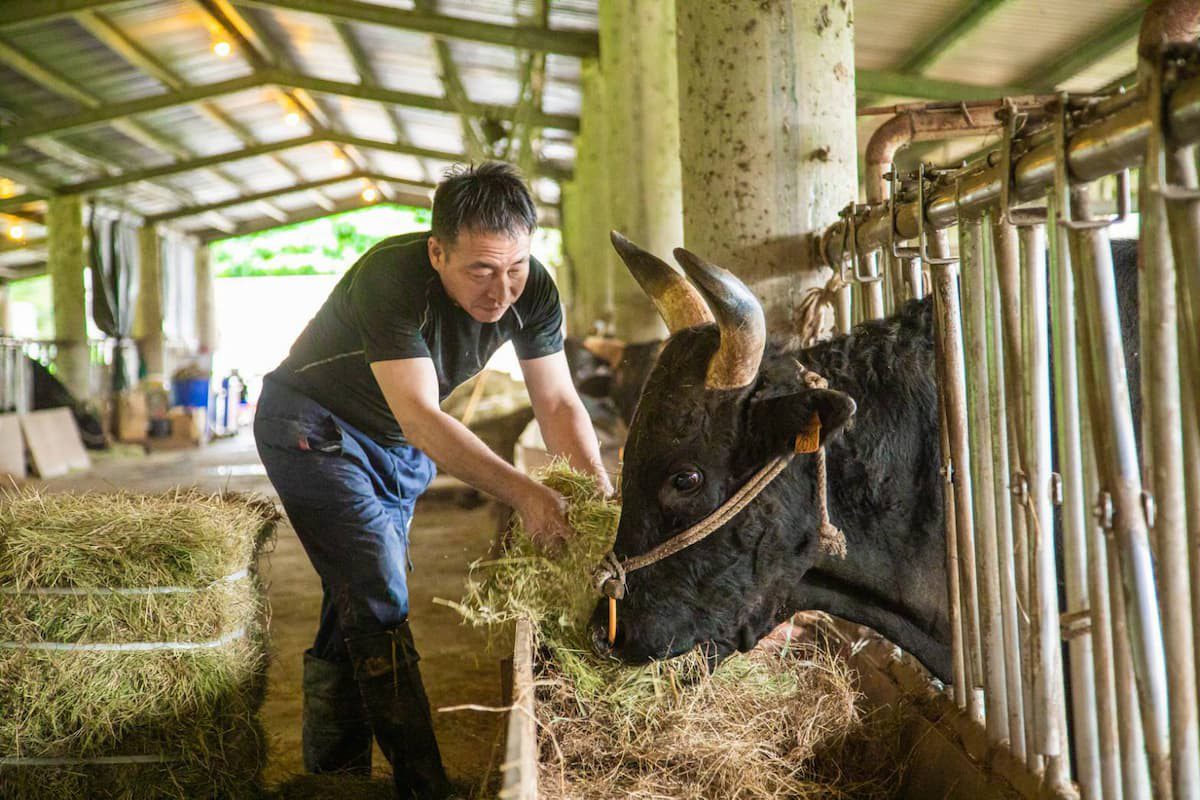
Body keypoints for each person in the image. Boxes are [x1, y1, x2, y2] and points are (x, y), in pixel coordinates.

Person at [254, 162, 612, 799]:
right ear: (437, 250)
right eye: (480, 269)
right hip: (312, 427)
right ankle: (425, 787)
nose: (501, 290)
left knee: (356, 599)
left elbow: (557, 403)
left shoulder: (534, 290)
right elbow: (421, 415)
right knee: (377, 589)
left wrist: (601, 504)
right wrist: (526, 493)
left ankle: (333, 780)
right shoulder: (390, 277)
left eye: (516, 266)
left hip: (393, 443)